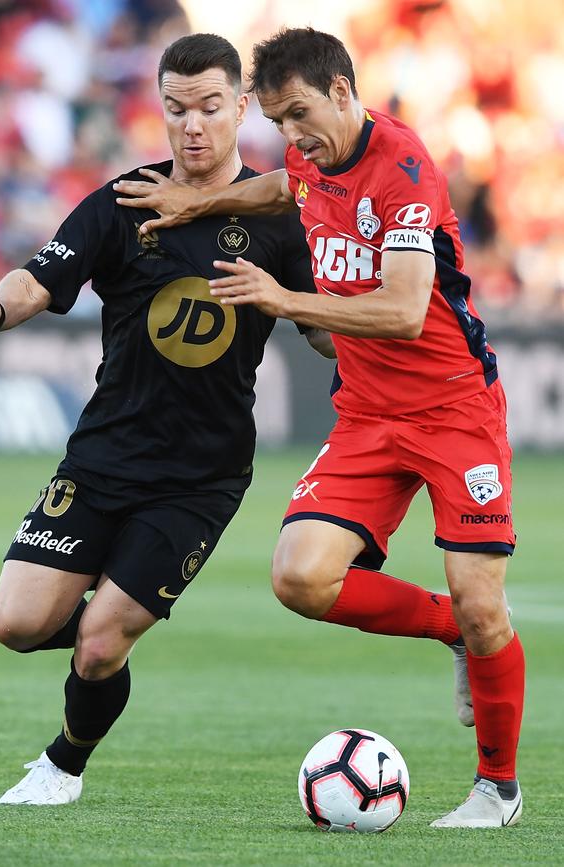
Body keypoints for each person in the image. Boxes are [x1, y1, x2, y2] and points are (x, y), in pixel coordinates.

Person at [113, 27, 524, 829]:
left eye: (299, 114)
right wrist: (200, 197)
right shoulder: (311, 152)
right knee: (300, 577)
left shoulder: (404, 170)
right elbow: (282, 188)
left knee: (488, 609)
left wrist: (280, 297)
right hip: (368, 413)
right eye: (277, 121)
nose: (291, 136)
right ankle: (448, 630)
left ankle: (496, 789)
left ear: (344, 91)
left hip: (452, 409)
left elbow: (406, 312)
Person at [0, 33, 334, 806]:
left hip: (200, 477)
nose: (193, 126)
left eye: (211, 108)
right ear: (161, 107)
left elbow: (320, 325)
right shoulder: (123, 203)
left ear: (240, 108)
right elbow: (42, 276)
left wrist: (343, 329)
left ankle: (63, 764)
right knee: (15, 624)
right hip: (103, 459)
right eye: (177, 109)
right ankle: (112, 612)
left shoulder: (280, 220)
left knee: (100, 638)